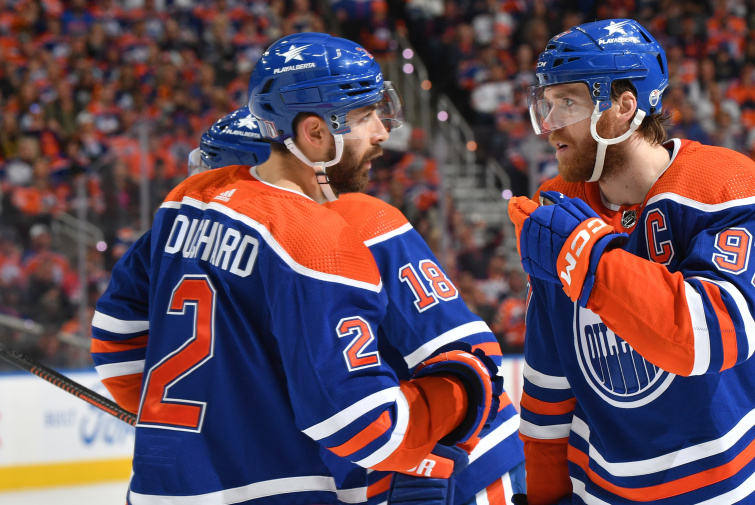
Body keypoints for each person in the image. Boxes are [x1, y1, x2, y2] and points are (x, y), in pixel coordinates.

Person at [91, 32, 500, 505]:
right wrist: (463, 393)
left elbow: (117, 340)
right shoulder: (317, 239)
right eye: (365, 117)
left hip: (154, 492)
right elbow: (361, 424)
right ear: (314, 132)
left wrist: (197, 417)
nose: (382, 132)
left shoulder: (187, 200)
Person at [506, 19, 755, 505]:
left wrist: (584, 253)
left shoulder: (720, 182)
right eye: (546, 104)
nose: (549, 124)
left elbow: (712, 336)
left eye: (567, 102)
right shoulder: (558, 209)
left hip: (754, 485)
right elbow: (550, 376)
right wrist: (545, 493)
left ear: (623, 107)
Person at [191, 104, 526, 505]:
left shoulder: (359, 223)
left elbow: (472, 357)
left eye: (219, 185)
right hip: (362, 484)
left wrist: (425, 467)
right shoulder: (224, 269)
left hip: (464, 476)